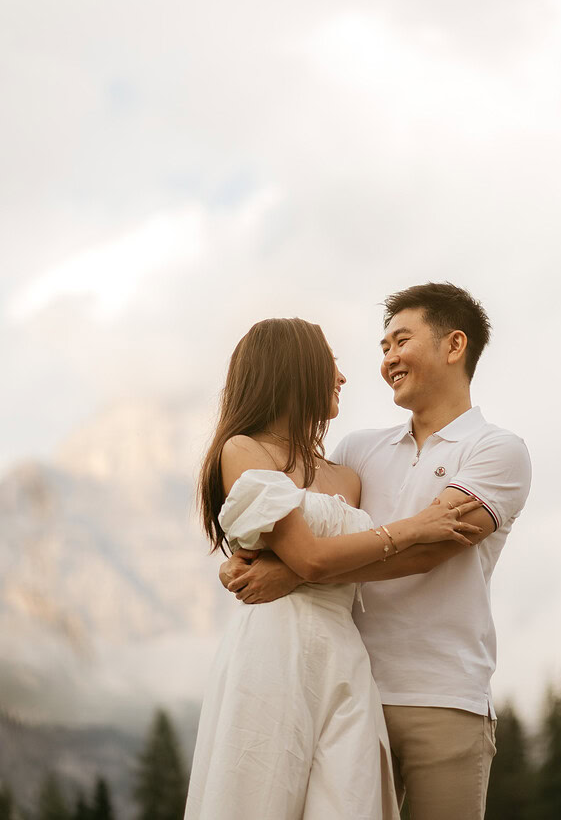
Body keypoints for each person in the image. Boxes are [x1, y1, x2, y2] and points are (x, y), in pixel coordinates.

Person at [221, 283, 532, 820]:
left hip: (444, 695)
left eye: (401, 341)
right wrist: (266, 560)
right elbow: (305, 531)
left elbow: (429, 550)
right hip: (346, 689)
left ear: (454, 346)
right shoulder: (356, 452)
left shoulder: (497, 451)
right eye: (383, 347)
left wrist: (296, 571)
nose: (387, 359)